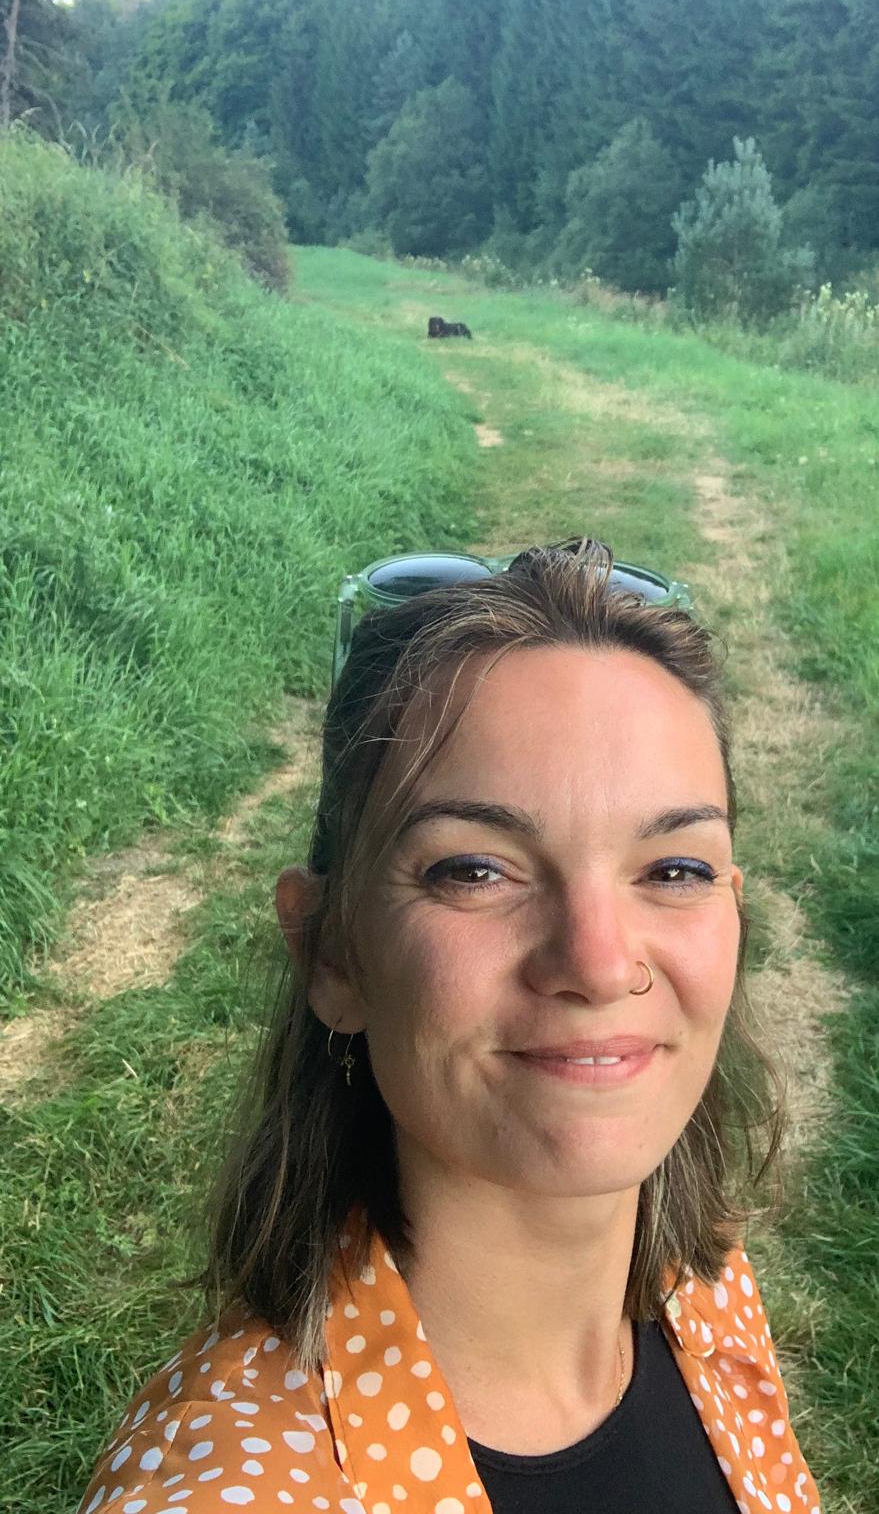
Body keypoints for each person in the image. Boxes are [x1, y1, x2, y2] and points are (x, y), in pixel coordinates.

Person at [77, 538, 821, 1514]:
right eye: (474, 869)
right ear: (332, 953)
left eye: (674, 869)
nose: (599, 962)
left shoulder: (704, 1290)